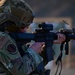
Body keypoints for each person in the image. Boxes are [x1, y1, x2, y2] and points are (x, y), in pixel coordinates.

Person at [0, 0, 65, 75]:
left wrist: (47, 45)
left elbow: (31, 66)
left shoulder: (11, 38)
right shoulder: (2, 39)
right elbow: (21, 71)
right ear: (10, 24)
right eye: (23, 26)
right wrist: (33, 51)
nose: (26, 29)